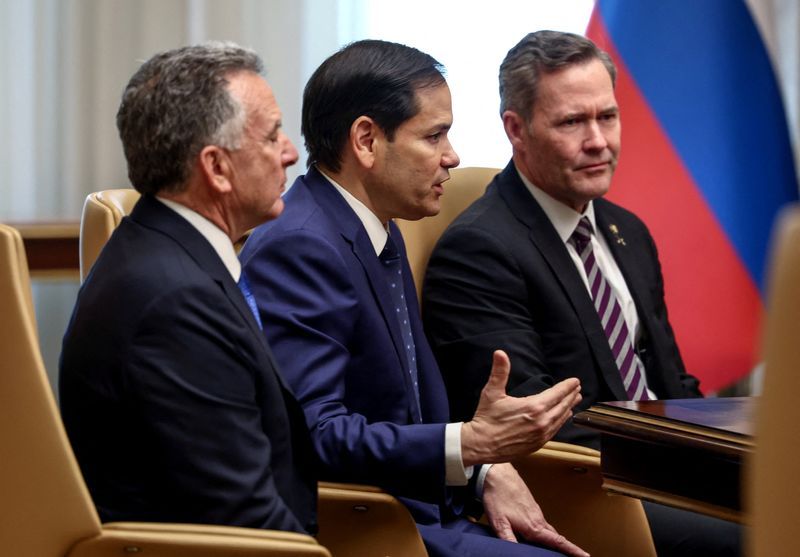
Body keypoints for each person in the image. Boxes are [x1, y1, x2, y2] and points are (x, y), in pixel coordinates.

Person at [240, 39, 587, 557]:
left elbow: (406, 408)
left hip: (430, 509)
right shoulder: (300, 245)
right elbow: (315, 434)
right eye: (434, 135)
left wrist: (481, 468)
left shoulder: (379, 225)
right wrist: (468, 445)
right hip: (373, 529)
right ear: (366, 141)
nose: (452, 156)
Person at [422, 30, 740, 556]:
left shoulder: (626, 230)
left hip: (668, 467)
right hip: (590, 489)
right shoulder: (480, 248)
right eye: (572, 122)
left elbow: (671, 382)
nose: (598, 141)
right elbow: (533, 428)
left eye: (607, 117)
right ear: (516, 129)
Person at [59, 42, 317, 534]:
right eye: (272, 136)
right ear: (216, 168)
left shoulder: (169, 253)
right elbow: (243, 521)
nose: (290, 153)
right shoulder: (173, 302)